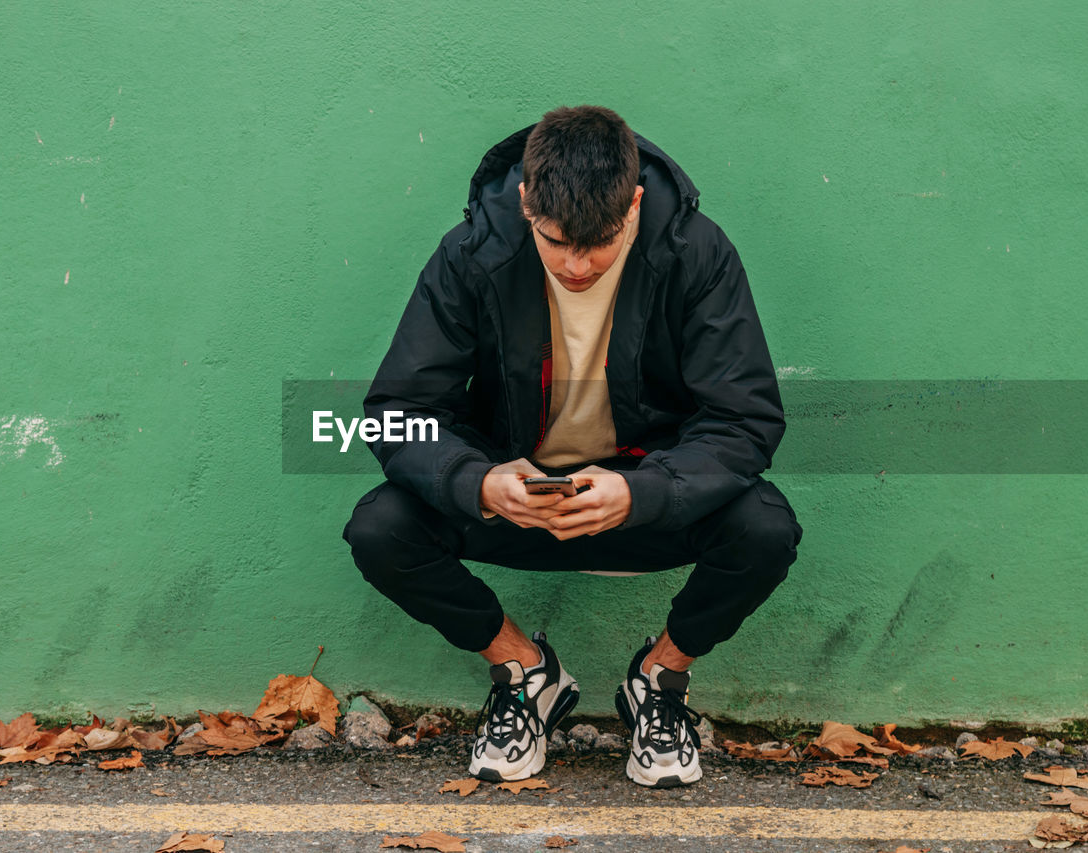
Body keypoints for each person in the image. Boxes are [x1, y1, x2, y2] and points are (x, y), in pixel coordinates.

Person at [343, 105, 803, 788]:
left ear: (635, 203)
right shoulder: (474, 253)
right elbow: (394, 413)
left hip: (644, 504)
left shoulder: (695, 252)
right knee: (380, 527)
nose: (578, 264)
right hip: (514, 502)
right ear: (527, 203)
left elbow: (747, 421)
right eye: (557, 241)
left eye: (601, 241)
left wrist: (642, 493)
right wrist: (476, 482)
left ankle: (660, 679)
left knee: (765, 528)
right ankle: (525, 671)